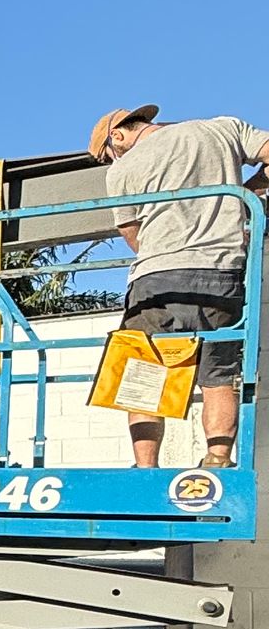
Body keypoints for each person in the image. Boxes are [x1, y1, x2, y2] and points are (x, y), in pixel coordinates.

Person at [90, 103, 269, 468]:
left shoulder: (123, 169)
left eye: (106, 155)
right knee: (218, 376)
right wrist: (243, 195)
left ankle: (146, 468)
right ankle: (218, 458)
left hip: (157, 279)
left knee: (145, 378)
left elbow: (131, 232)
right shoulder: (222, 128)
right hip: (222, 273)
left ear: (118, 135)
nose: (110, 162)